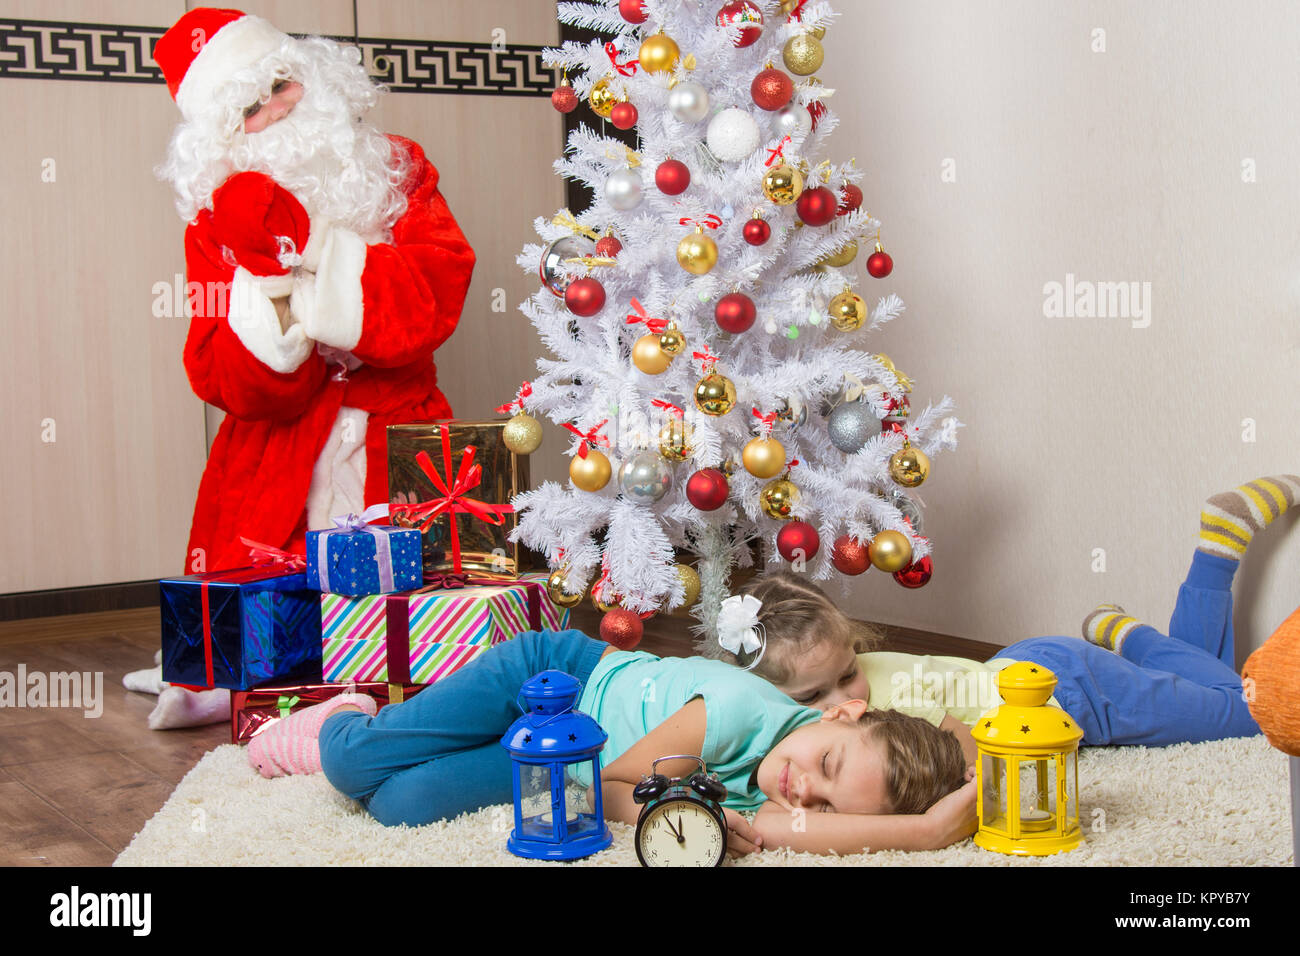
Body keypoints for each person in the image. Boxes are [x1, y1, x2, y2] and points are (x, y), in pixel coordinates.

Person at [154, 8, 476, 576]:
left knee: (420, 627)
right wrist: (273, 294)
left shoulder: (395, 168)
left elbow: (437, 291)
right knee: (268, 637)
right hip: (272, 460)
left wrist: (317, 249)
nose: (277, 109)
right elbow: (222, 378)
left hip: (400, 432)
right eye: (250, 109)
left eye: (281, 85)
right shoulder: (213, 226)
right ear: (224, 137)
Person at [709, 476, 1295, 761]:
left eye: (847, 673)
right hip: (1027, 664)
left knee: (1254, 714)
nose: (846, 697)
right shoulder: (794, 725)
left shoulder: (880, 710)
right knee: (1211, 687)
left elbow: (958, 758)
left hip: (1074, 694)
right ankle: (1201, 566)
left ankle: (1136, 634)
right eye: (816, 693)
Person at [246, 631, 977, 856]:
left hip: (564, 761)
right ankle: (345, 716)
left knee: (400, 805)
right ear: (844, 714)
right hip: (549, 683)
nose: (800, 790)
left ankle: (387, 744)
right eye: (824, 767)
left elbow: (807, 827)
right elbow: (610, 790)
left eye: (825, 801)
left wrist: (927, 827)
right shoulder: (739, 711)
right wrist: (687, 810)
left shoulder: (791, 784)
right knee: (353, 765)